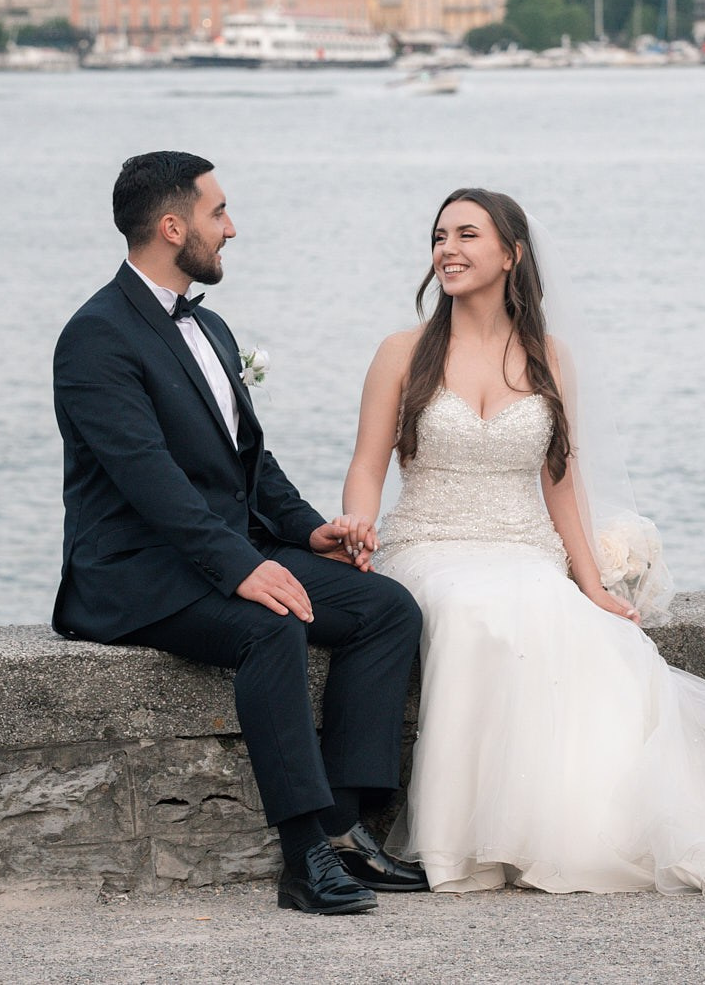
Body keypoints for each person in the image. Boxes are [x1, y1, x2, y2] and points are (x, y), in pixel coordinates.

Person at [338, 187, 705, 899]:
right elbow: (368, 464)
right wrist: (358, 532)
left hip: (523, 544)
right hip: (432, 541)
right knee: (476, 608)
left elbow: (561, 476)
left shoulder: (548, 356)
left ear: (512, 253)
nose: (448, 249)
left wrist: (591, 581)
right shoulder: (402, 352)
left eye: (467, 234)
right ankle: (458, 840)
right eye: (440, 236)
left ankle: (578, 832)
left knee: (600, 639)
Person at [52, 151, 429, 915]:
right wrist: (242, 568)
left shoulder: (211, 325)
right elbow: (149, 481)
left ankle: (345, 827)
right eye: (218, 212)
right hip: (134, 574)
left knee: (386, 610)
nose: (232, 228)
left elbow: (250, 464)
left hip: (219, 552)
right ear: (171, 226)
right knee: (270, 622)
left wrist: (312, 531)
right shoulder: (94, 338)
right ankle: (303, 858)